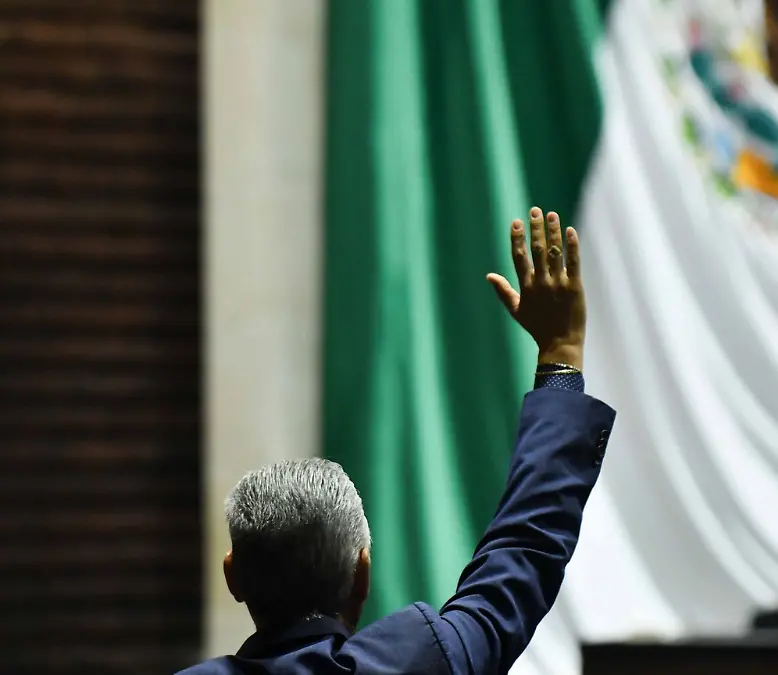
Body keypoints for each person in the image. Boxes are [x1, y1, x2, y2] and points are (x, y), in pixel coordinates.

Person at [180, 207, 615, 675]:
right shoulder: (425, 661)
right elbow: (525, 546)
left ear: (233, 576)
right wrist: (560, 355)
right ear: (362, 574)